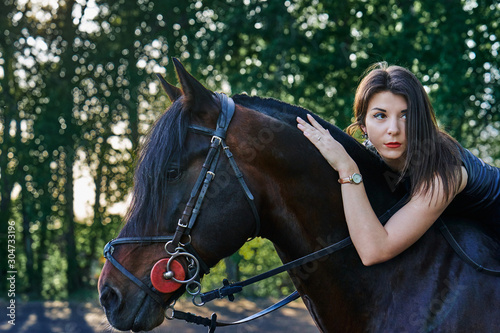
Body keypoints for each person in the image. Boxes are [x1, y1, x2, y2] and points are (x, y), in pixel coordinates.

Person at [296, 62, 500, 266]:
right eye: (380, 116)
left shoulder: (445, 173)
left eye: (406, 115)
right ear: (363, 126)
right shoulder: (373, 156)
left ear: (421, 121)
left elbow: (374, 251)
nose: (393, 129)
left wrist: (347, 169)